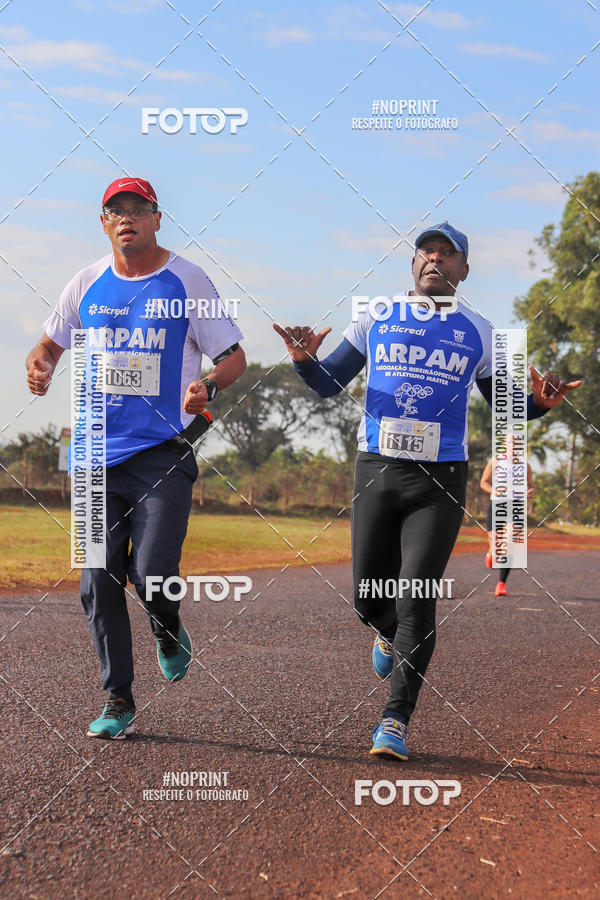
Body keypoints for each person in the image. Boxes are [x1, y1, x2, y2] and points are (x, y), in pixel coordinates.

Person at [274, 222, 580, 761]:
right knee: (369, 600)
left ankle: (394, 721)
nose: (434, 259)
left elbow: (508, 405)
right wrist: (303, 359)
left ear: (463, 269)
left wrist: (543, 402)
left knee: (418, 596)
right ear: (412, 265)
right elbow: (329, 383)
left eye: (447, 254)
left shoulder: (482, 331)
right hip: (377, 469)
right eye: (425, 252)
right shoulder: (376, 314)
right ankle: (385, 632)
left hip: (439, 480)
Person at [26, 177, 246, 739]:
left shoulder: (186, 280)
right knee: (96, 579)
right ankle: (117, 698)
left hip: (162, 452)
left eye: (137, 209)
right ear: (104, 223)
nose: (126, 218)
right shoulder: (86, 283)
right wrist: (42, 364)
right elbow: (51, 342)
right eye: (115, 211)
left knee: (152, 575)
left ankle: (167, 628)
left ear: (156, 217)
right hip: (95, 453)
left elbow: (234, 358)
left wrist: (209, 387)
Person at [480, 449, 536, 597]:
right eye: (510, 442)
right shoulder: (496, 461)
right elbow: (483, 483)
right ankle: (491, 553)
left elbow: (532, 487)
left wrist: (530, 492)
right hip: (497, 506)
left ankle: (501, 584)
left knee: (509, 543)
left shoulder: (525, 465)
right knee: (496, 548)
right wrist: (495, 491)